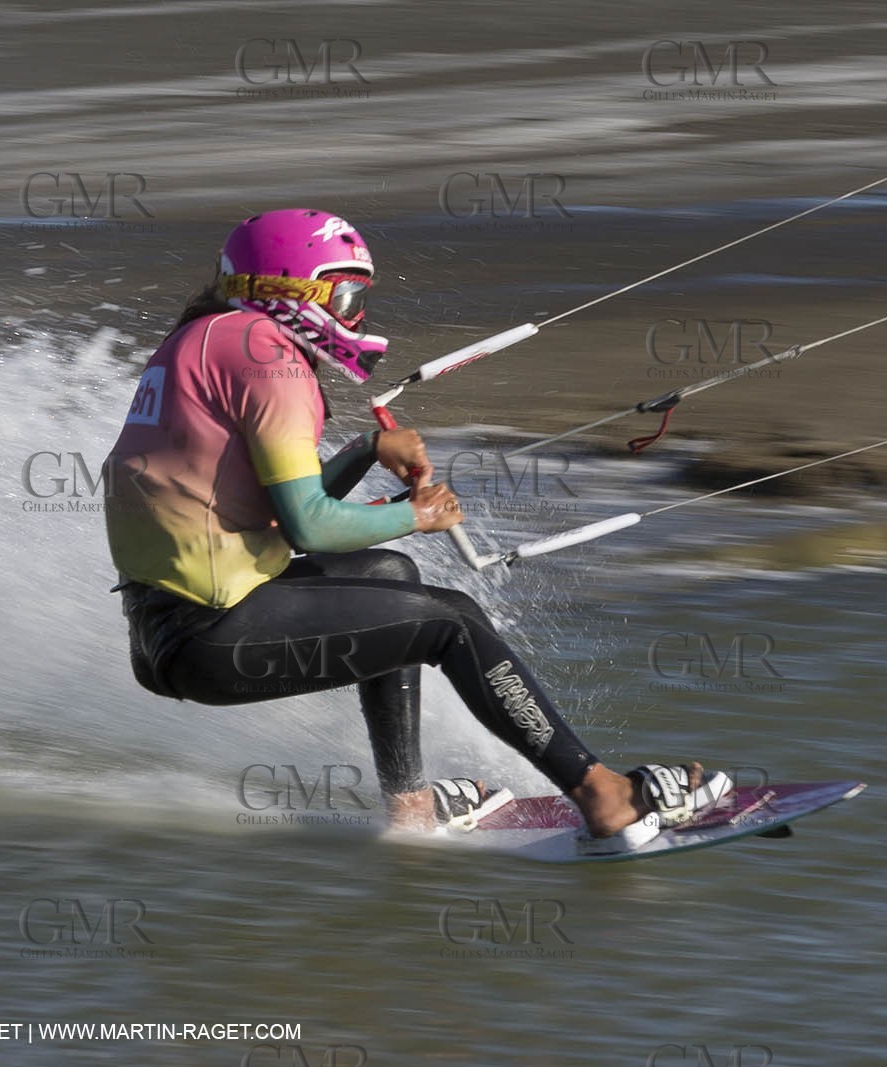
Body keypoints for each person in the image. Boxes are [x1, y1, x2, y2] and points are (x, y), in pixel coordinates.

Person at [102, 208, 724, 850]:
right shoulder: (268, 358)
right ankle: (604, 795)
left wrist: (369, 449)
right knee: (450, 621)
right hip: (209, 638)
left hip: (168, 632)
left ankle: (409, 806)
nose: (355, 314)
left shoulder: (205, 338)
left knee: (392, 577)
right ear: (289, 291)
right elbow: (309, 528)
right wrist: (417, 515)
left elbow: (274, 511)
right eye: (346, 295)